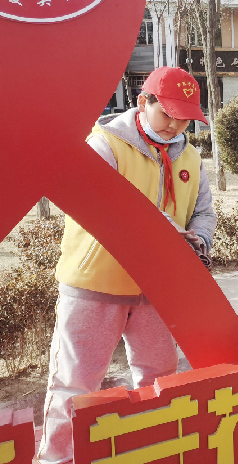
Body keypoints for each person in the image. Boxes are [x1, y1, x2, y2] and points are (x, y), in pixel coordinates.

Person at [37, 67, 215, 464]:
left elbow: (203, 212)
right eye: (167, 114)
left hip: (158, 289)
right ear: (142, 102)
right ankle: (56, 458)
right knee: (75, 384)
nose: (175, 126)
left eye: (185, 118)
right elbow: (98, 202)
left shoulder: (190, 156)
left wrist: (198, 243)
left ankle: (150, 452)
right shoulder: (105, 144)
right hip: (96, 284)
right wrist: (166, 229)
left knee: (159, 380)